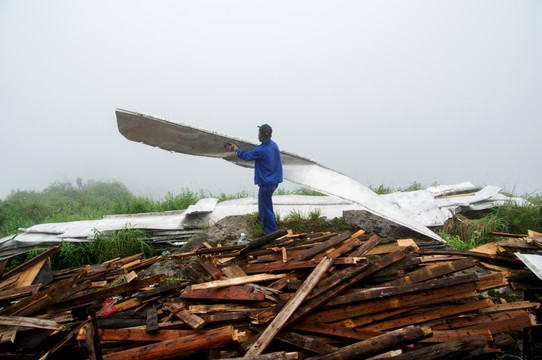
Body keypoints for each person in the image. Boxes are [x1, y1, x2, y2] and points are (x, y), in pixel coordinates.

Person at [226, 124, 283, 234]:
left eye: (258, 133)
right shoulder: (274, 146)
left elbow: (246, 156)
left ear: (261, 136)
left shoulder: (261, 150)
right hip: (274, 180)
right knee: (267, 205)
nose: (257, 135)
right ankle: (272, 228)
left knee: (264, 208)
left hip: (266, 183)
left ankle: (271, 232)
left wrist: (235, 149)